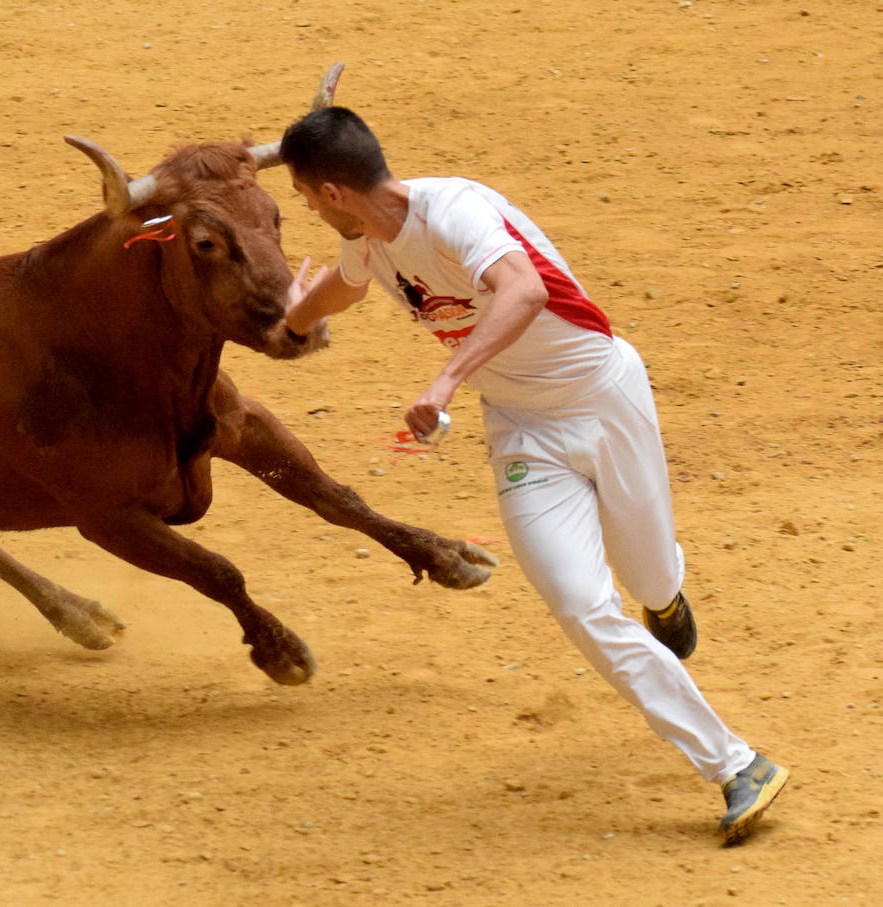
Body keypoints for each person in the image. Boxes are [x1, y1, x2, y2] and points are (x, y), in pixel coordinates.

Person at [278, 106, 787, 845]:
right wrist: (293, 320)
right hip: (523, 430)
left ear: (331, 193)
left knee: (645, 581)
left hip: (603, 394)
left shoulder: (454, 209)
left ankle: (664, 594)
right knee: (581, 604)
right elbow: (344, 287)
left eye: (301, 197)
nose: (305, 211)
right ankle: (737, 763)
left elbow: (524, 290)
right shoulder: (369, 242)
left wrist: (446, 380)